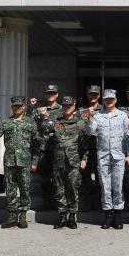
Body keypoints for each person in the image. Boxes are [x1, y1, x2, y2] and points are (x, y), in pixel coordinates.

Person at [85, 89, 129, 230]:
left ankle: (118, 215)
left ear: (116, 100)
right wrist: (90, 117)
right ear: (104, 100)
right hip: (103, 156)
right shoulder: (98, 116)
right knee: (105, 186)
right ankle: (107, 216)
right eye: (107, 99)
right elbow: (89, 131)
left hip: (118, 156)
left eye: (111, 99)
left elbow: (127, 135)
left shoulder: (122, 115)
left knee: (118, 186)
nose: (109, 101)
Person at [40, 95, 89, 229]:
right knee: (59, 189)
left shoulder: (80, 123)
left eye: (70, 105)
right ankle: (62, 216)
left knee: (73, 189)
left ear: (74, 107)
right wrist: (44, 118)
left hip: (74, 162)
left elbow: (85, 144)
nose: (67, 108)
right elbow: (44, 131)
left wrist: (84, 159)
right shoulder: (55, 121)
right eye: (65, 106)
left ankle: (72, 216)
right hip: (58, 161)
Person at [0, 96, 41, 229]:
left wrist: (35, 162)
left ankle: (23, 216)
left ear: (24, 107)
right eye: (15, 106)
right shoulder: (6, 122)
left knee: (24, 189)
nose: (17, 108)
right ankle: (12, 215)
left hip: (24, 161)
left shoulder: (30, 123)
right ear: (12, 107)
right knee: (10, 189)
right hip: (9, 161)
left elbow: (36, 144)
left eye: (20, 106)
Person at [30, 84, 63, 202]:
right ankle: (47, 201)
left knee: (58, 176)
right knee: (44, 177)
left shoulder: (62, 109)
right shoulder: (38, 110)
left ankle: (58, 202)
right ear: (45, 95)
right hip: (43, 147)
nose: (50, 95)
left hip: (57, 147)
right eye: (48, 93)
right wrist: (40, 116)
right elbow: (32, 125)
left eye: (53, 93)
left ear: (57, 94)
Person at [76, 85, 104, 211]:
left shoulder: (104, 110)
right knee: (84, 176)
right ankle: (86, 203)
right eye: (91, 94)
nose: (93, 96)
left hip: (100, 148)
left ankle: (98, 202)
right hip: (85, 148)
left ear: (99, 95)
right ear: (87, 95)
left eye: (95, 94)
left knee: (100, 176)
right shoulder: (80, 111)